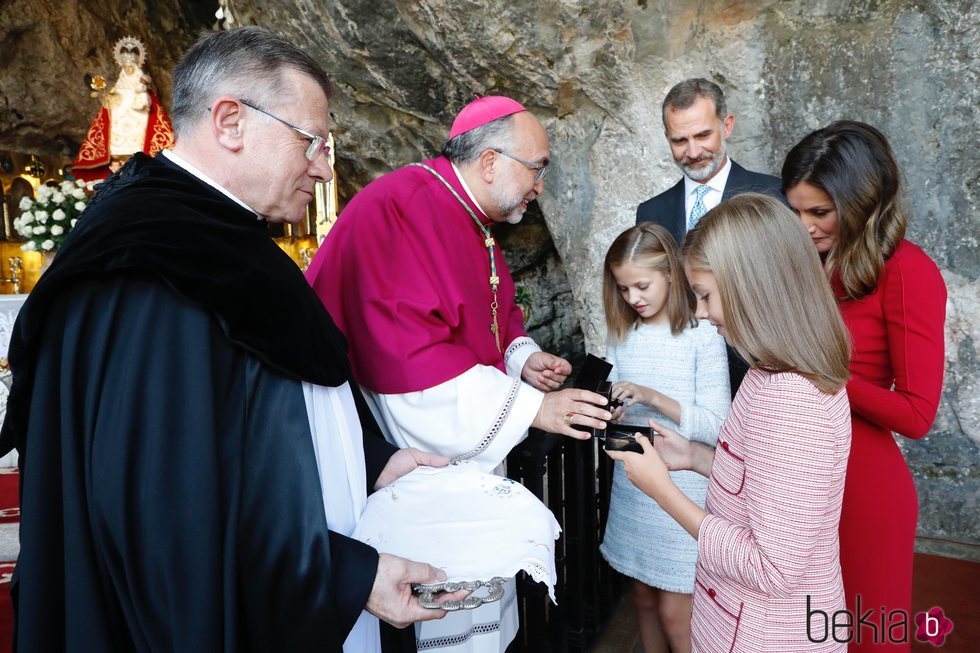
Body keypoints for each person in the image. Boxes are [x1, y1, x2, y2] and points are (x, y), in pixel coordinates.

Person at [0, 26, 457, 653]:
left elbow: (261, 413)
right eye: (312, 141)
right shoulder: (152, 269)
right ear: (232, 122)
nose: (324, 165)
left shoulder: (219, 238)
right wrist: (347, 575)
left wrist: (373, 463)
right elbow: (163, 516)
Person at [306, 96, 611, 653]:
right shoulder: (403, 209)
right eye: (537, 168)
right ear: (491, 162)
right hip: (392, 442)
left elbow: (486, 312)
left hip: (463, 421)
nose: (540, 185)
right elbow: (409, 357)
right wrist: (535, 408)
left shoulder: (467, 212)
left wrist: (521, 358)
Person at [608, 194, 853, 652]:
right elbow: (762, 479)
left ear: (751, 286)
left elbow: (771, 568)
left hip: (767, 634)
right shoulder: (771, 369)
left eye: (705, 295)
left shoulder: (792, 400)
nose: (700, 312)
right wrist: (697, 457)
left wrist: (662, 488)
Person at [782, 121, 946, 652]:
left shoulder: (907, 272)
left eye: (820, 213)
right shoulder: (819, 261)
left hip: (864, 491)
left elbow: (918, 415)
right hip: (804, 481)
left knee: (868, 641)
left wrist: (825, 375)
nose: (804, 227)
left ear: (861, 203)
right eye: (796, 211)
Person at [598, 223, 730, 653]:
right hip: (634, 486)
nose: (633, 298)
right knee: (643, 599)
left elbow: (717, 423)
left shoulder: (703, 335)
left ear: (671, 275)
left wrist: (655, 397)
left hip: (684, 490)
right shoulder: (622, 334)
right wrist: (610, 409)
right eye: (622, 288)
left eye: (642, 285)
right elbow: (617, 405)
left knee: (678, 613)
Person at [636, 78, 783, 394]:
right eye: (679, 140)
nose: (693, 151)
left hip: (761, 375)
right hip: (680, 386)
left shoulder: (774, 195)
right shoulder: (650, 212)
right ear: (666, 138)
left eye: (703, 135)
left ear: (727, 126)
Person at [72, 36, 175, 182]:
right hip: (120, 129)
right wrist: (108, 99)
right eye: (125, 65)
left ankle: (136, 161)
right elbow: (110, 108)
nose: (128, 68)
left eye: (130, 65)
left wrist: (141, 90)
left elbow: (146, 104)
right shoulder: (118, 87)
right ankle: (119, 163)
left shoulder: (142, 85)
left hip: (139, 122)